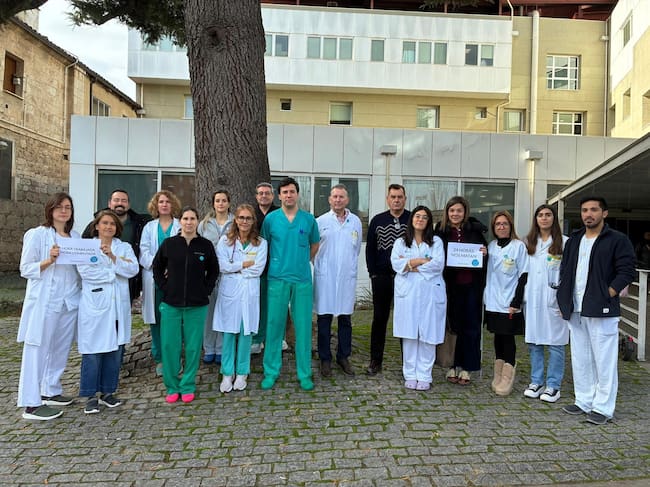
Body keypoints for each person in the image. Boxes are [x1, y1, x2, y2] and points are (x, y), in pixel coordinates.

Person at [557, 196, 635, 425]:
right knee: (580, 357)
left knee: (604, 360)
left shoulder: (617, 239)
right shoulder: (574, 239)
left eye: (593, 210)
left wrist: (609, 292)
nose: (588, 214)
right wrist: (563, 296)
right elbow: (565, 269)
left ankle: (603, 407)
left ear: (604, 213)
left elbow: (627, 270)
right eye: (584, 210)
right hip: (576, 308)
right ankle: (584, 400)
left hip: (602, 307)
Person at [17, 193, 81, 420]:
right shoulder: (37, 235)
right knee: (37, 349)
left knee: (60, 349)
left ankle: (50, 390)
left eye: (68, 207)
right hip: (45, 302)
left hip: (68, 302)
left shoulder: (74, 237)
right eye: (59, 207)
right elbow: (25, 269)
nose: (64, 211)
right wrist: (49, 260)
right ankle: (31, 404)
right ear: (50, 210)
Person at [153, 206, 219, 404]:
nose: (189, 222)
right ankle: (172, 386)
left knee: (192, 347)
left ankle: (188, 385)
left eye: (192, 219)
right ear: (180, 221)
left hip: (196, 305)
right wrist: (165, 287)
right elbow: (157, 267)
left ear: (197, 221)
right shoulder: (169, 244)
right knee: (169, 346)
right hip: (171, 304)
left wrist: (205, 290)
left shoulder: (205, 245)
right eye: (185, 219)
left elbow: (213, 271)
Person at [261, 177, 320, 391]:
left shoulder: (308, 219)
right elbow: (264, 245)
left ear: (297, 194)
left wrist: (301, 261)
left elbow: (315, 245)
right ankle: (271, 371)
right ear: (279, 196)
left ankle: (304, 373)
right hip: (277, 278)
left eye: (292, 191)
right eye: (284, 192)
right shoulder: (271, 220)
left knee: (303, 327)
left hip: (302, 280)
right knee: (274, 325)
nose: (288, 195)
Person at [77, 210, 139, 414]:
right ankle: (90, 396)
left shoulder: (124, 247)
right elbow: (86, 272)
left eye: (112, 224)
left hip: (118, 306)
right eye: (104, 223)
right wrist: (114, 272)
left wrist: (112, 257)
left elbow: (133, 270)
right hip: (95, 305)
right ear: (96, 226)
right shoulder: (87, 247)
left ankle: (108, 392)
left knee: (115, 350)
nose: (108, 227)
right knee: (93, 351)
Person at [390, 206, 446, 391]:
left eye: (424, 217)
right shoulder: (401, 242)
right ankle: (410, 374)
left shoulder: (436, 242)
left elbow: (438, 265)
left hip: (431, 292)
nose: (420, 219)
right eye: (417, 216)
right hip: (408, 293)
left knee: (428, 335)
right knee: (410, 334)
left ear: (429, 221)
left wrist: (410, 265)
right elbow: (396, 263)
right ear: (412, 219)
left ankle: (424, 375)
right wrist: (421, 260)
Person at [214, 204, 267, 393]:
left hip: (249, 293)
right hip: (230, 293)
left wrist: (234, 268)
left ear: (253, 221)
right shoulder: (225, 241)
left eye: (248, 218)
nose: (244, 221)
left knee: (246, 333)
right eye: (241, 217)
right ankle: (227, 373)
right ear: (235, 220)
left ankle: (242, 372)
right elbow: (221, 266)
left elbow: (258, 269)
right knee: (229, 333)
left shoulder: (261, 243)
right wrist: (243, 264)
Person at [435, 196, 487, 386]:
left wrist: (484, 253)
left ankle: (467, 366)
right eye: (452, 210)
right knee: (453, 325)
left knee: (471, 326)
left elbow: (484, 255)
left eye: (459, 210)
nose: (455, 214)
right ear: (447, 212)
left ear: (465, 212)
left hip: (471, 286)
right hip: (450, 286)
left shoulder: (475, 231)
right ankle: (452, 363)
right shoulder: (440, 232)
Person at [313, 184, 362, 378]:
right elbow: (314, 248)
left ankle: (343, 356)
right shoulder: (320, 221)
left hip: (345, 278)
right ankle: (325, 358)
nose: (338, 200)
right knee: (324, 319)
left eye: (341, 197)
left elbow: (355, 249)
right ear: (329, 199)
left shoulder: (355, 221)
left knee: (345, 319)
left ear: (347, 200)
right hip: (325, 276)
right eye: (334, 196)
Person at [522, 205, 569, 403]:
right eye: (540, 215)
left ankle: (553, 386)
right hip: (532, 299)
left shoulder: (565, 242)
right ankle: (536, 381)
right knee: (534, 342)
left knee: (555, 343)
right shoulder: (527, 242)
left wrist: (565, 301)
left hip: (554, 299)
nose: (544, 218)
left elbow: (568, 274)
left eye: (548, 215)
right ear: (536, 219)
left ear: (554, 218)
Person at [365, 184, 410, 375]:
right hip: (382, 277)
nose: (396, 200)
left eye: (400, 197)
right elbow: (370, 249)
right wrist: (373, 273)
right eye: (393, 197)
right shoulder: (377, 220)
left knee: (405, 319)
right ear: (388, 199)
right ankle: (375, 360)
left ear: (405, 199)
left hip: (406, 277)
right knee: (379, 319)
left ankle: (408, 362)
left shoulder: (412, 219)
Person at [484, 210, 528, 397]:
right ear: (493, 228)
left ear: (510, 226)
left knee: (508, 337)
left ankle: (508, 376)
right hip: (493, 301)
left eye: (505, 223)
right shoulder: (491, 246)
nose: (501, 227)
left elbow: (524, 274)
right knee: (498, 336)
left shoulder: (519, 246)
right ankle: (498, 374)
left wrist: (517, 301)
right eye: (498, 224)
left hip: (509, 301)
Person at [139, 190, 181, 376]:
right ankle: (160, 358)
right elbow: (144, 251)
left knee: (175, 320)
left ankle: (175, 357)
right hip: (154, 279)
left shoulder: (179, 225)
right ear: (156, 205)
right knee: (156, 319)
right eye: (161, 201)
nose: (164, 204)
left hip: (175, 278)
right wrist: (159, 267)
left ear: (173, 205)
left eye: (167, 201)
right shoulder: (149, 227)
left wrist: (171, 268)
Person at [82, 189, 150, 302]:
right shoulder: (90, 236)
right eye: (116, 200)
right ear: (109, 203)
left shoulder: (139, 224)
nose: (120, 203)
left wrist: (116, 261)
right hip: (96, 292)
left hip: (128, 283)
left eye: (123, 200)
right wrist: (116, 273)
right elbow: (84, 268)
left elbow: (133, 268)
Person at [197, 189, 234, 365]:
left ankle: (221, 348)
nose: (221, 203)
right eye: (217, 200)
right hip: (208, 273)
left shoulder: (235, 222)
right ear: (213, 203)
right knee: (209, 312)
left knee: (224, 312)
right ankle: (209, 348)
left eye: (224, 200)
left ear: (229, 203)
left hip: (228, 273)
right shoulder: (204, 224)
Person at [252, 182, 280, 354]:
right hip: (256, 267)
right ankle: (257, 338)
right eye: (261, 193)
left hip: (277, 266)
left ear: (273, 195)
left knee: (276, 305)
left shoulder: (279, 214)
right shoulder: (250, 214)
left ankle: (276, 338)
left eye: (267, 193)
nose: (264, 196)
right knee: (259, 305)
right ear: (256, 196)